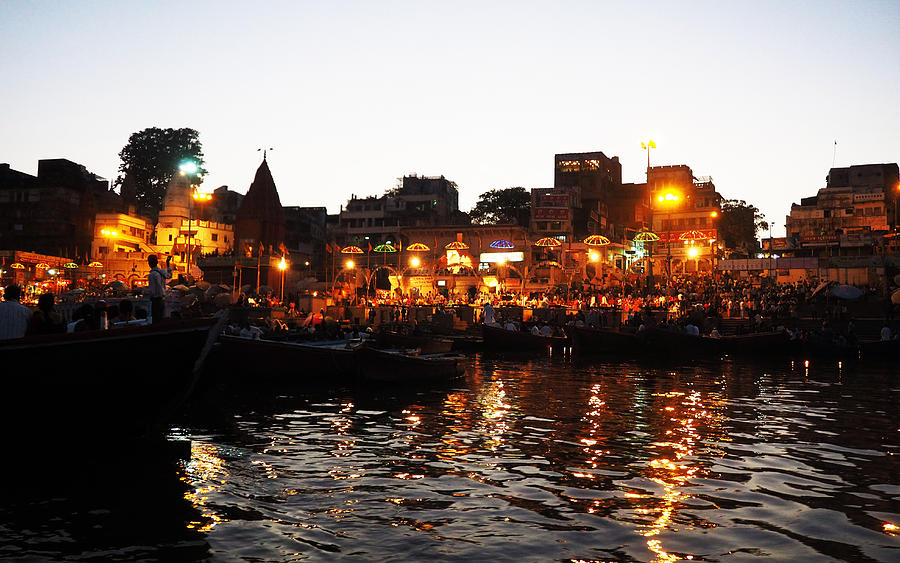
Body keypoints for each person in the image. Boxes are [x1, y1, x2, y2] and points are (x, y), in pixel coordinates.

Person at [147, 254, 173, 322]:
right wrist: (168, 263)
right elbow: (170, 275)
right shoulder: (162, 272)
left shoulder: (152, 275)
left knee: (155, 320)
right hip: (162, 300)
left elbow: (152, 291)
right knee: (161, 319)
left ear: (149, 263)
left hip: (155, 301)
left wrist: (143, 292)